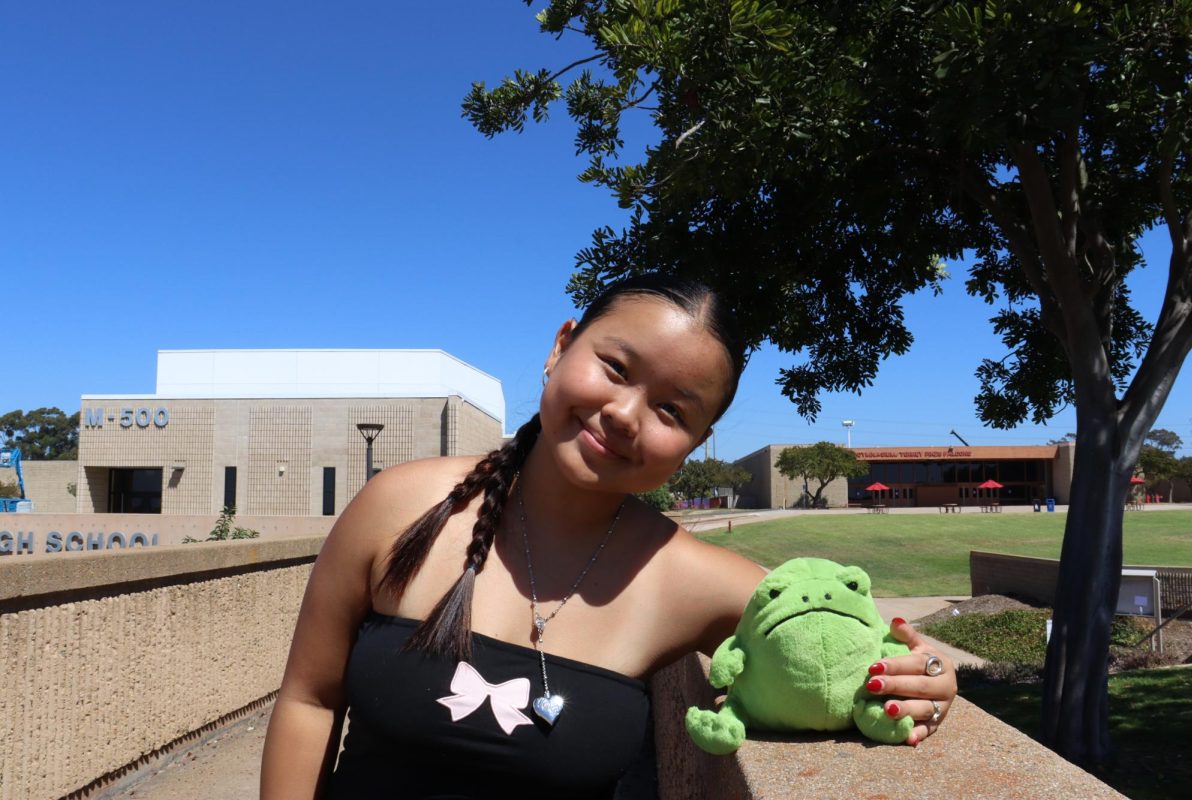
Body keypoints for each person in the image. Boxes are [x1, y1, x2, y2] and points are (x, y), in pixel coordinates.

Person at [260, 274, 958, 799]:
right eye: (616, 369)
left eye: (670, 410)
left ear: (695, 443)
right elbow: (309, 699)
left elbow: (842, 641)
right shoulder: (403, 505)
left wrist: (923, 675)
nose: (625, 414)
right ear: (561, 348)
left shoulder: (690, 579)